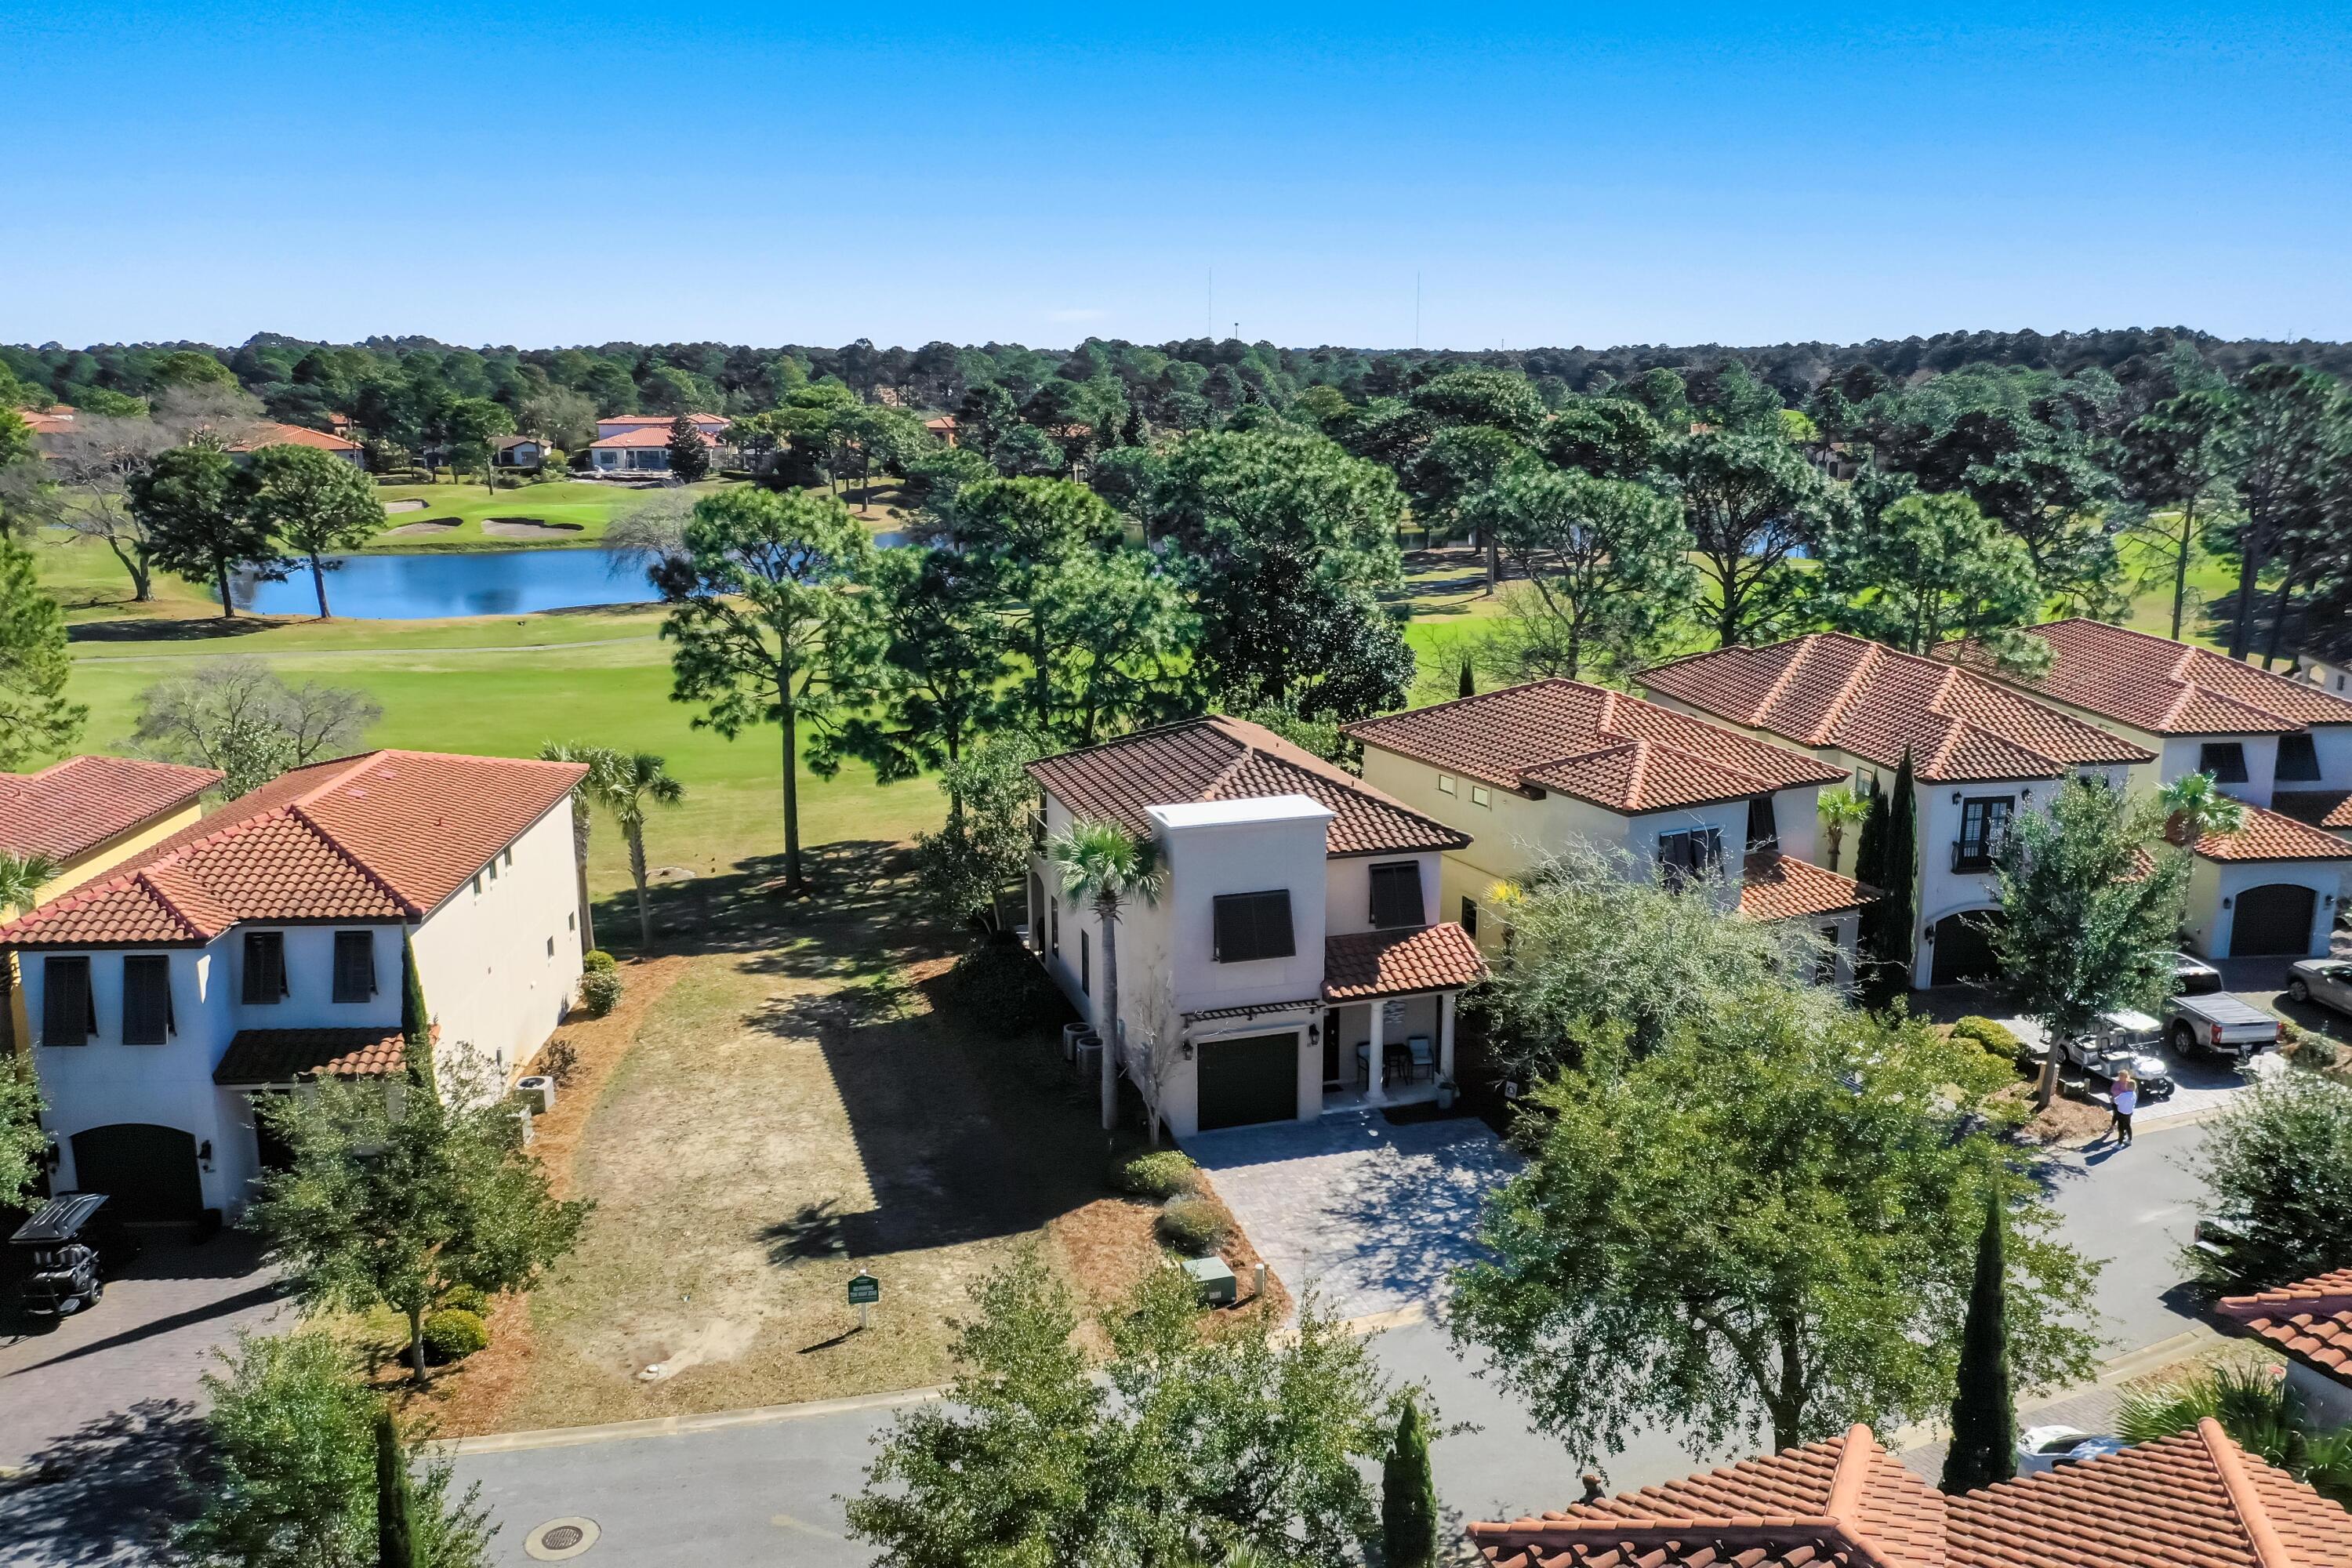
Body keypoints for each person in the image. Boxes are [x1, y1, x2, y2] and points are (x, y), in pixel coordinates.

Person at [2108, 1069, 2137, 1147]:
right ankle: (2129, 1140)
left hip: (2122, 1113)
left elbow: (2116, 1101)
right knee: (2128, 1126)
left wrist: (2118, 1096)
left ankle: (2119, 1144)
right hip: (2129, 1112)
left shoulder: (2123, 1095)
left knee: (2121, 1128)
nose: (2120, 1077)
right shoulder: (2134, 1094)